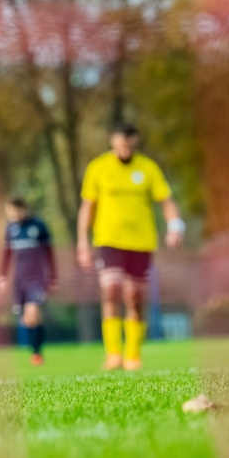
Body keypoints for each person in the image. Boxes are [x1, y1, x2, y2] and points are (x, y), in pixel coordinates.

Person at [77, 125, 185, 371]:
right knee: (111, 289)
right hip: (108, 240)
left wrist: (175, 227)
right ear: (112, 142)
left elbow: (166, 202)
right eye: (120, 145)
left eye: (128, 144)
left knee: (134, 296)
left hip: (141, 242)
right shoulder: (98, 168)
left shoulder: (147, 168)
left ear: (134, 142)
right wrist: (82, 241)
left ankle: (133, 355)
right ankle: (113, 353)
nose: (124, 149)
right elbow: (87, 207)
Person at [0, 198, 56, 366]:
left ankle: (37, 353)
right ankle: (36, 351)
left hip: (37, 278)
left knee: (32, 312)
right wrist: (3, 277)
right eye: (10, 211)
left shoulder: (38, 226)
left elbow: (49, 253)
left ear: (24, 209)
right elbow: (7, 254)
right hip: (19, 280)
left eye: (16, 210)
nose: (13, 214)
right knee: (27, 320)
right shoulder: (10, 229)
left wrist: (52, 277)